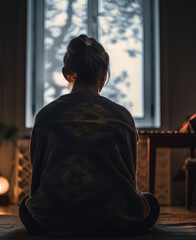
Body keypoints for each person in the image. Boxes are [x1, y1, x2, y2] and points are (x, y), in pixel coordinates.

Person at [19, 34, 159, 237]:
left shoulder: (46, 116)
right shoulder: (122, 116)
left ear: (67, 74)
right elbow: (129, 179)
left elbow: (37, 182)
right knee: (151, 203)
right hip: (116, 222)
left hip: (52, 223)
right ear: (103, 74)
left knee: (26, 205)